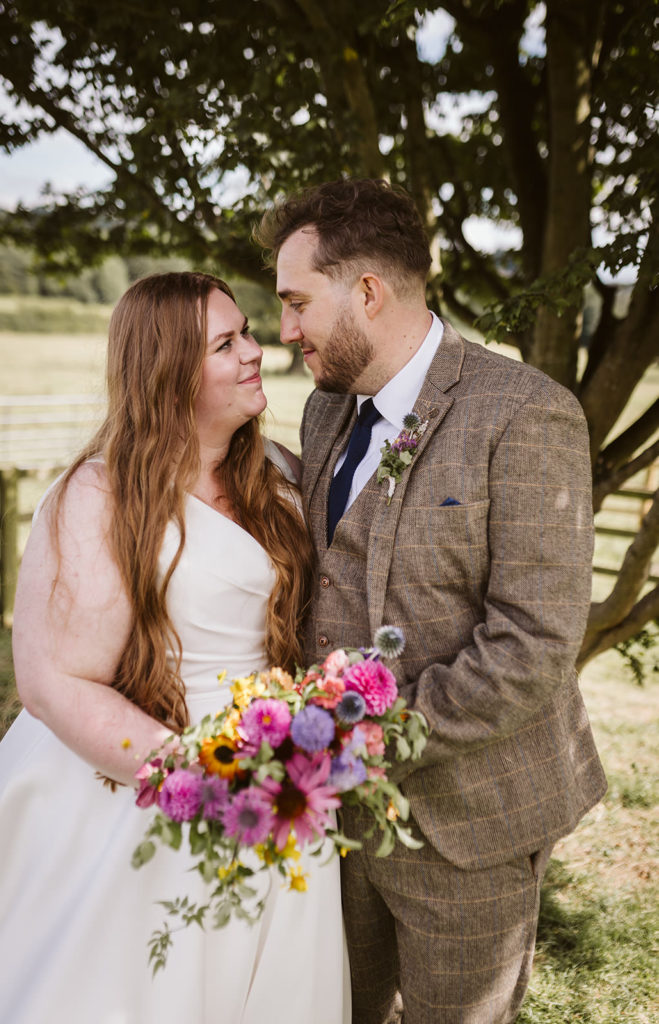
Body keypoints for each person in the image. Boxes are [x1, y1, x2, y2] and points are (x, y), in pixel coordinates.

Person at [254, 178, 607, 1024]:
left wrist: (365, 743)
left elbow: (533, 643)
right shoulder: (325, 410)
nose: (284, 330)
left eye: (297, 302)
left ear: (367, 293)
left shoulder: (523, 414)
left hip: (470, 823)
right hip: (337, 823)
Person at [0, 272, 350, 1024]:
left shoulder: (278, 474)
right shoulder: (101, 495)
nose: (256, 351)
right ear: (169, 373)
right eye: (225, 343)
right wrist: (200, 782)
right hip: (144, 776)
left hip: (276, 768)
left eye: (246, 331)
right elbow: (54, 682)